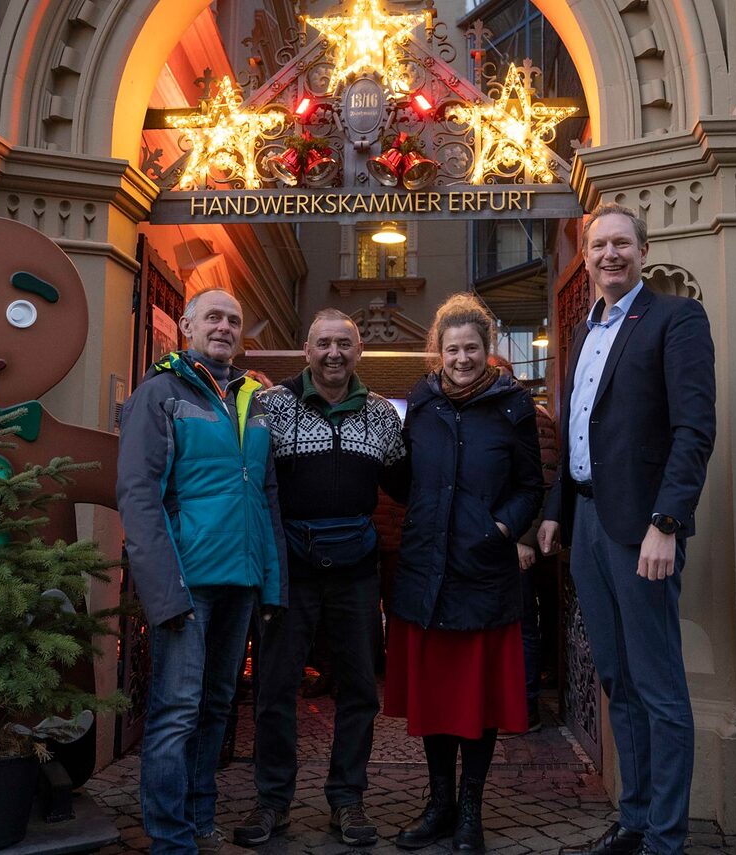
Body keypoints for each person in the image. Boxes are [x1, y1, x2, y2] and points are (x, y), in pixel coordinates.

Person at [538, 204, 716, 855]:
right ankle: (636, 820)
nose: (609, 254)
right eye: (598, 245)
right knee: (616, 677)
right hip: (587, 522)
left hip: (643, 528)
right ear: (584, 257)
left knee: (658, 685)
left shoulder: (675, 319)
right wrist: (557, 508)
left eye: (621, 242)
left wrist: (667, 522)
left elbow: (694, 430)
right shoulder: (586, 333)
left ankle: (667, 838)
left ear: (643, 248)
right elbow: (576, 429)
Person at [117, 287, 288, 855]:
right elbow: (139, 497)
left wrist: (271, 581)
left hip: (238, 581)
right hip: (186, 583)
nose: (224, 327)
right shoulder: (159, 393)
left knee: (216, 708)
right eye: (213, 316)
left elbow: (264, 495)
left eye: (234, 320)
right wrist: (165, 592)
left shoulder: (249, 399)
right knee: (175, 714)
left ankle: (199, 819)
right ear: (187, 323)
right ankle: (170, 839)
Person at [236, 308, 408, 848]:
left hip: (357, 568)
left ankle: (347, 799)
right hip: (289, 568)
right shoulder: (273, 405)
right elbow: (244, 481)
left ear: (358, 353)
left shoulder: (382, 415)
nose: (334, 353)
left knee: (359, 688)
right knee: (275, 687)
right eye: (324, 344)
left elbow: (408, 487)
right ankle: (272, 802)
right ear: (306, 350)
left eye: (344, 345)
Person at [384, 293, 544, 853]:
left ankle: (471, 809)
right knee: (434, 700)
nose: (462, 358)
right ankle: (439, 805)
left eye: (472, 348)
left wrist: (501, 529)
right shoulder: (422, 404)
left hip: (481, 569)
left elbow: (531, 486)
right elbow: (402, 479)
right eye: (452, 349)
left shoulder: (512, 406)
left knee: (476, 703)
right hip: (426, 568)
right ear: (438, 352)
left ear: (488, 350)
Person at [490, 354, 560, 733]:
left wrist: (525, 539)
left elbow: (544, 481)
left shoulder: (532, 416)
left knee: (520, 625)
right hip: (490, 539)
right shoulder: (489, 412)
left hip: (517, 542)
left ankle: (525, 705)